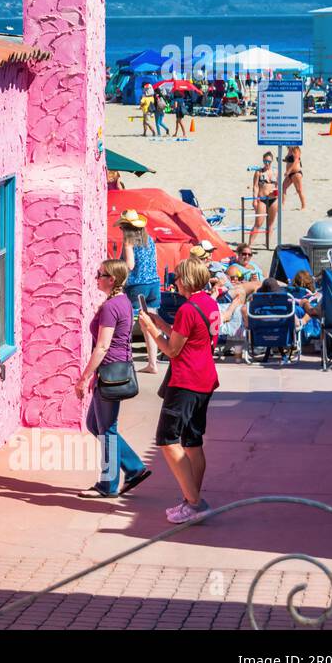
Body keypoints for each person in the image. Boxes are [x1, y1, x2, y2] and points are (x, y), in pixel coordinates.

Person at [138, 257, 220, 523]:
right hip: (205, 379)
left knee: (167, 440)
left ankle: (195, 502)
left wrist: (150, 329)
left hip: (186, 380)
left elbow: (172, 349)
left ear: (187, 279)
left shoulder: (187, 308)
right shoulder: (208, 303)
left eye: (178, 277)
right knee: (193, 442)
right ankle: (190, 499)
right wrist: (160, 323)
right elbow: (188, 335)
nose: (175, 282)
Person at [75, 259, 152, 498]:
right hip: (112, 371)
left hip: (110, 372)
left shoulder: (111, 307)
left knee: (107, 429)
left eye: (100, 274)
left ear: (112, 279)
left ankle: (108, 485)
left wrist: (84, 377)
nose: (96, 276)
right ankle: (133, 468)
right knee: (95, 425)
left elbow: (103, 346)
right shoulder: (122, 302)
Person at [119, 210, 161, 374]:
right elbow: (154, 261)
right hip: (154, 285)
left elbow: (129, 265)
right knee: (149, 324)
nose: (121, 230)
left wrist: (117, 265)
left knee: (126, 323)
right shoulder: (149, 239)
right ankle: (153, 363)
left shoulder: (128, 241)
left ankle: (123, 360)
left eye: (122, 227)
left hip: (137, 286)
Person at [247, 152, 280, 249]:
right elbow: (255, 186)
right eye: (265, 161)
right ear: (263, 161)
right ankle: (249, 244)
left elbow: (278, 185)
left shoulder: (276, 172)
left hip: (273, 199)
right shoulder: (259, 172)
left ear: (272, 161)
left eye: (269, 161)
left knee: (270, 223)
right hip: (262, 199)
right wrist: (254, 200)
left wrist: (277, 192)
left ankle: (268, 244)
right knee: (258, 223)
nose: (267, 163)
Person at [282, 146, 306, 210]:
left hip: (296, 173)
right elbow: (290, 161)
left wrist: (288, 171)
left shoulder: (295, 149)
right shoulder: (289, 149)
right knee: (284, 187)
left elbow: (296, 161)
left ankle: (303, 206)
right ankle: (282, 204)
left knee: (299, 190)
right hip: (290, 174)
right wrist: (282, 160)